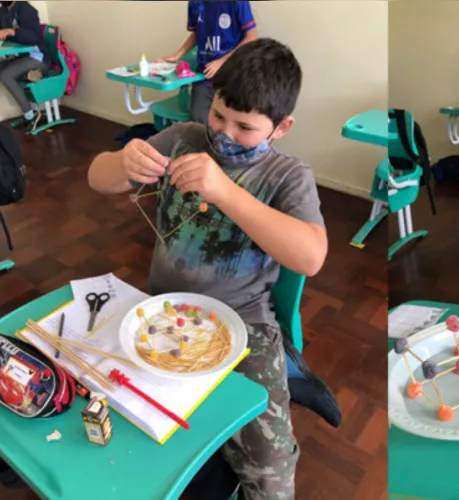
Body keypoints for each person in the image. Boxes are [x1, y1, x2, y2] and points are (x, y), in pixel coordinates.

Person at [88, 38, 328, 499]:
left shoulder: (286, 176)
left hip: (245, 326)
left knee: (271, 474)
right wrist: (122, 163)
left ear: (282, 127)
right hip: (160, 312)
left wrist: (225, 191)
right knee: (121, 425)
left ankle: (289, 374)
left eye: (246, 126)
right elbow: (97, 179)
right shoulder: (183, 138)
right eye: (218, 115)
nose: (223, 133)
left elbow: (311, 256)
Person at [165, 1, 258, 126]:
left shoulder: (237, 2)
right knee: (198, 121)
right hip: (204, 76)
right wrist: (178, 54)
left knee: (228, 124)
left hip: (231, 77)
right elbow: (197, 33)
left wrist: (222, 61)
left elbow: (251, 37)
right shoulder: (195, 3)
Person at [0, 1, 51, 131]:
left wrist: (12, 32)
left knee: (5, 75)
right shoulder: (3, 11)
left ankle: (30, 116)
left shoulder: (26, 9)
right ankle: (29, 75)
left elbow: (34, 36)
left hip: (38, 57)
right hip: (20, 56)